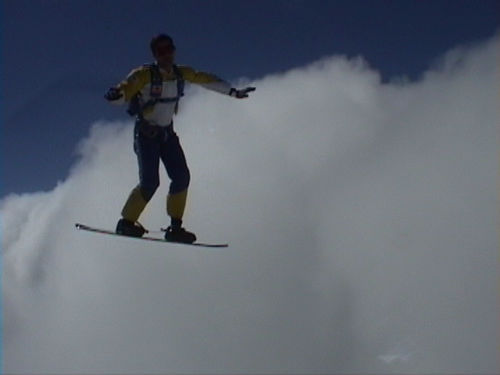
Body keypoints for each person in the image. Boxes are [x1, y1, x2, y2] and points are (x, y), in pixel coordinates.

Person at [104, 33, 255, 243]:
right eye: (161, 51)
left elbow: (206, 79)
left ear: (174, 50)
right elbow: (125, 89)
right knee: (149, 183)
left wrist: (232, 92)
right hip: (147, 135)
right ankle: (126, 223)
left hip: (167, 135)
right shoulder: (144, 74)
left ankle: (175, 228)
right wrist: (116, 95)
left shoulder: (180, 73)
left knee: (181, 177)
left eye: (169, 49)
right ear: (155, 54)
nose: (166, 54)